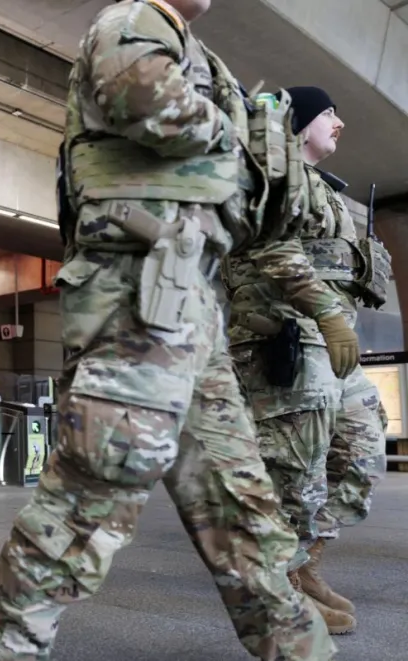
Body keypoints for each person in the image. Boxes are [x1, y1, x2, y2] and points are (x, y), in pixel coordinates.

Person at [0, 1, 337, 659]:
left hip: (194, 307)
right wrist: (248, 144)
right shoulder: (131, 22)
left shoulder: (206, 60)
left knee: (244, 504)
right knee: (91, 500)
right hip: (132, 299)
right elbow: (152, 101)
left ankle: (299, 647)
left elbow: (263, 205)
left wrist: (257, 159)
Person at [222, 86, 392, 635]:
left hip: (328, 343)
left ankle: (307, 566)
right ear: (299, 122)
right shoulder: (269, 169)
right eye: (328, 115)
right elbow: (274, 248)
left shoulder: (329, 193)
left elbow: (345, 268)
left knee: (362, 450)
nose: (340, 125)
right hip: (284, 337)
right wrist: (328, 313)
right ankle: (280, 587)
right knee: (294, 471)